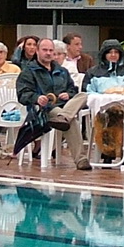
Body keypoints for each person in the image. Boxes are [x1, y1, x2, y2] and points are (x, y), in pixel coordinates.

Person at [14, 37, 90, 167]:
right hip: (44, 110)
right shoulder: (29, 71)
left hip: (65, 106)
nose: (48, 53)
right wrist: (37, 98)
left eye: (51, 50)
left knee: (83, 95)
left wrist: (69, 94)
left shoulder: (62, 71)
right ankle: (81, 160)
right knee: (70, 121)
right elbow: (23, 94)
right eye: (45, 50)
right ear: (37, 51)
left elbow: (73, 89)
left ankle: (63, 117)